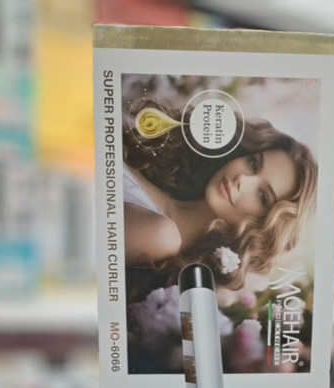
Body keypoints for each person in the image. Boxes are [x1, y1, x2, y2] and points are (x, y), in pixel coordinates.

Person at [122, 102, 318, 292]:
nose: (243, 179)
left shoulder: (162, 236)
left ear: (263, 227)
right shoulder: (153, 173)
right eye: (253, 164)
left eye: (262, 195)